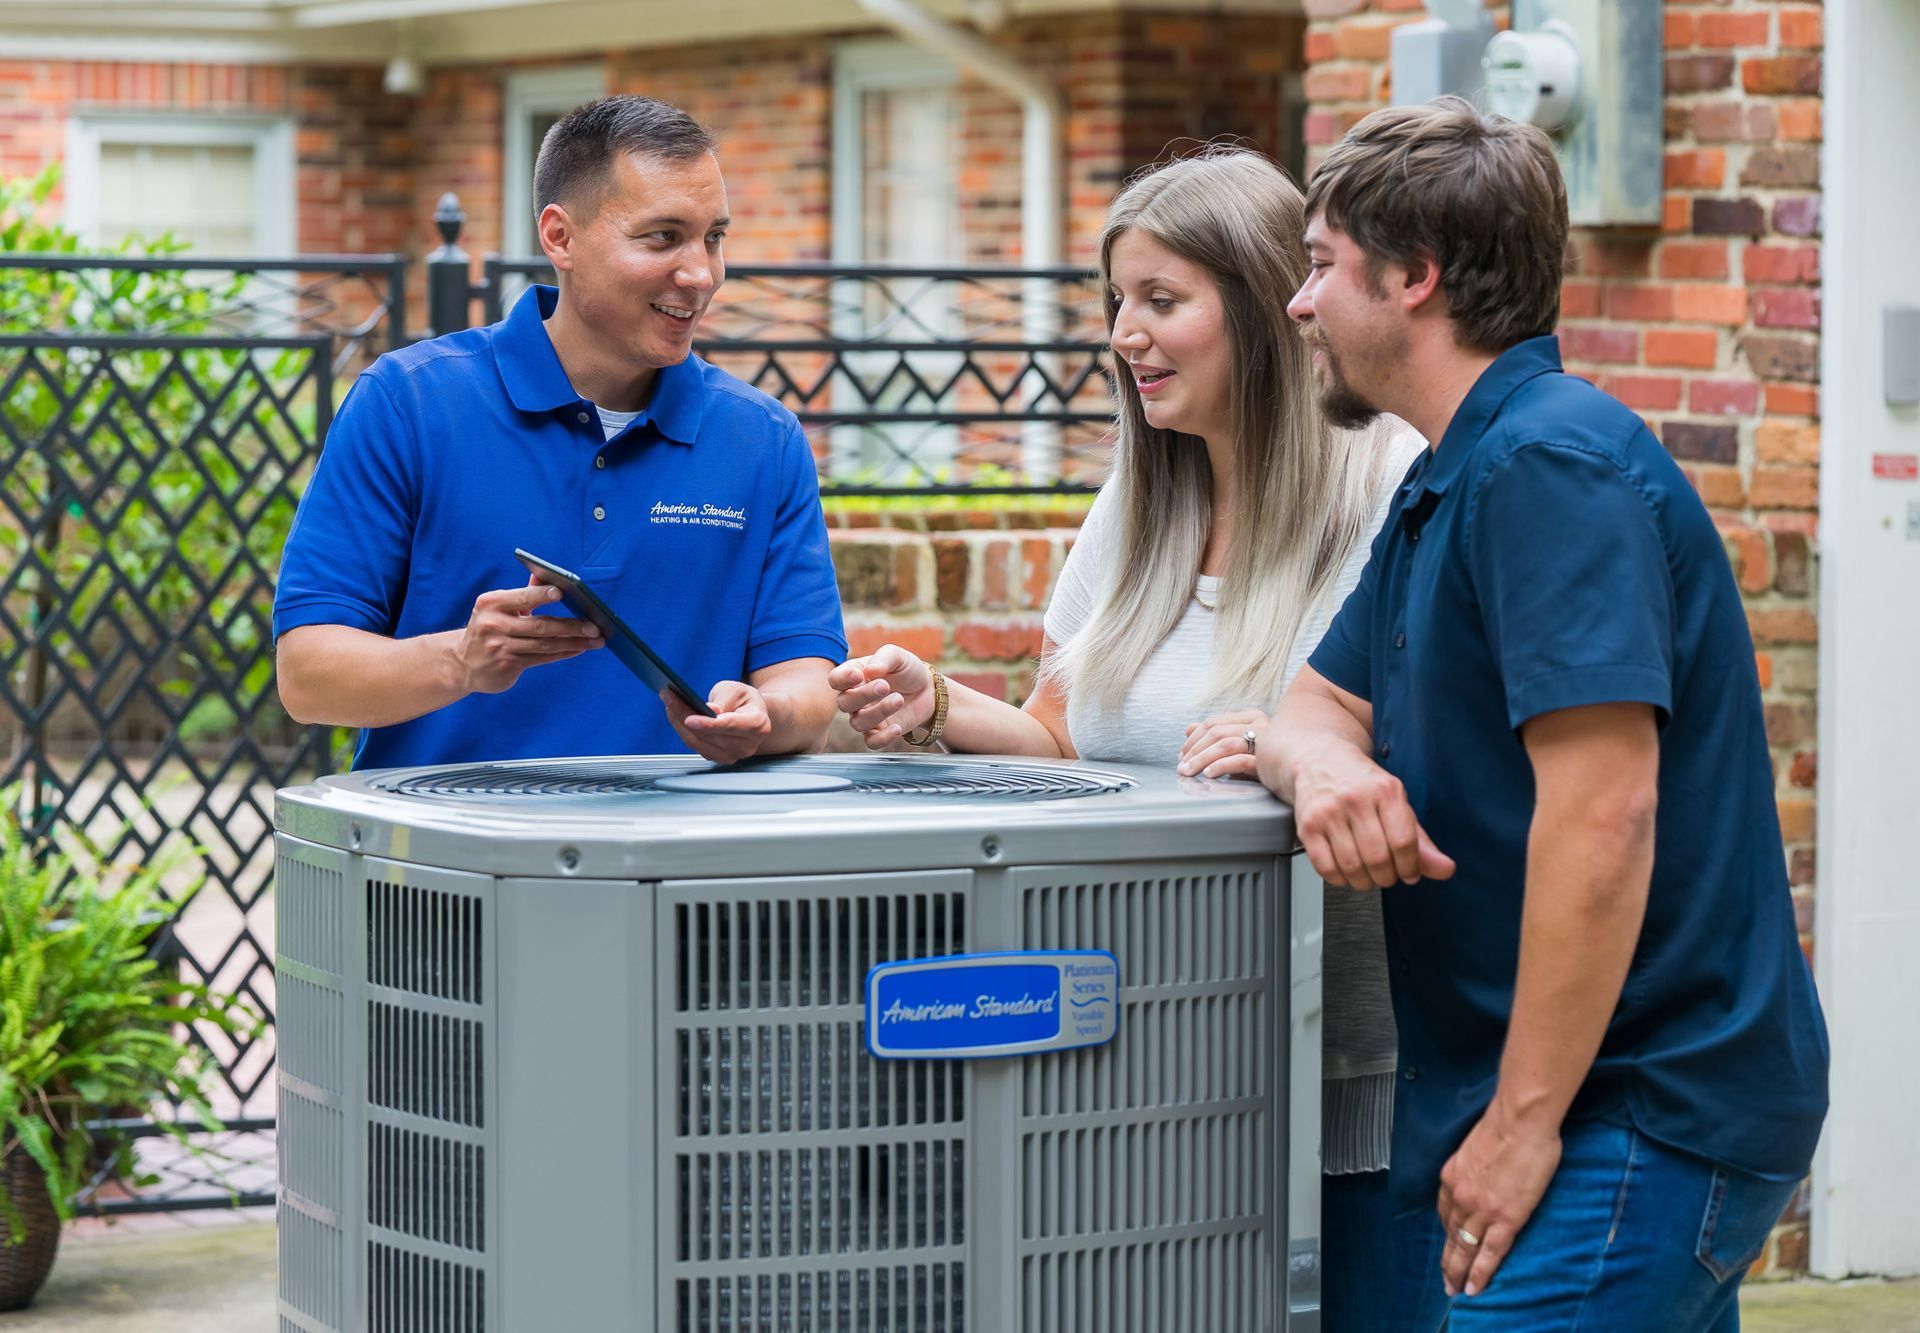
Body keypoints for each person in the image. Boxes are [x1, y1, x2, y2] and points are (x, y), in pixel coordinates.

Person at [827, 148, 1436, 1331]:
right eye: (1119, 302)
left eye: (1162, 301)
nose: (1124, 336)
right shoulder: (1142, 501)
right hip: (1149, 1076)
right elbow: (1068, 736)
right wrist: (941, 706)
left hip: (1354, 1082)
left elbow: (1438, 757)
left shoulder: (1393, 488)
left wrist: (1292, 741)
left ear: (1264, 308)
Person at [1257, 97, 1829, 1330]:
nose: (1299, 304)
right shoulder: (1452, 475)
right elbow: (1308, 700)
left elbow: (1606, 812)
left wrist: (1520, 1127)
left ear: (1414, 277)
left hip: (1633, 1110)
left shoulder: (1548, 470)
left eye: (1318, 266)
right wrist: (1324, 772)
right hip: (1595, 1105)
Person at [274, 96, 844, 768]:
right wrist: (460, 658)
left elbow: (806, 682)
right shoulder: (407, 404)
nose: (701, 274)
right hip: (444, 862)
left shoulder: (764, 440)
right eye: (663, 237)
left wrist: (766, 715)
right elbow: (307, 675)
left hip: (678, 862)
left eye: (713, 237)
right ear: (560, 237)